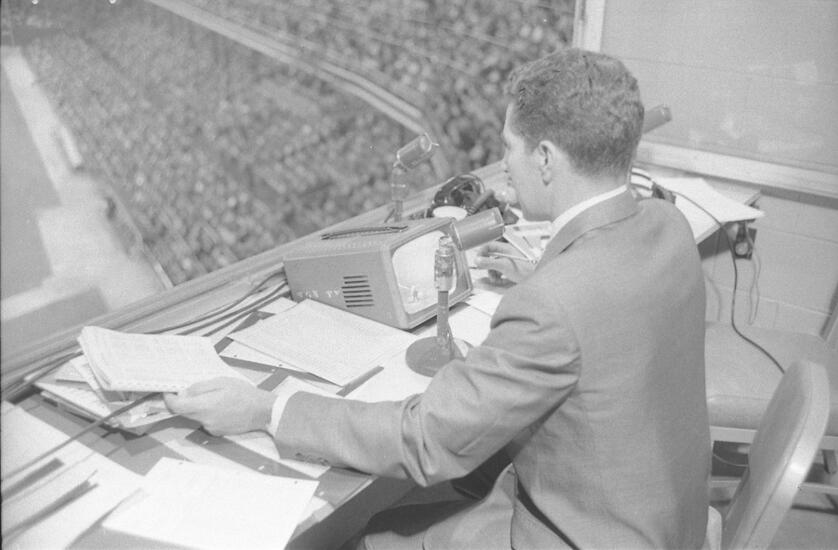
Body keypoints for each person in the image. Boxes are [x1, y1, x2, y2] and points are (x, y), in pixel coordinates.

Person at [165, 48, 711, 549]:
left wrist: (267, 408)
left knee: (368, 537)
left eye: (508, 148)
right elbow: (605, 315)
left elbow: (426, 441)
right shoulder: (668, 224)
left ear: (546, 158)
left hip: (580, 534)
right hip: (662, 520)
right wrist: (539, 283)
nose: (504, 165)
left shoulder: (552, 306)